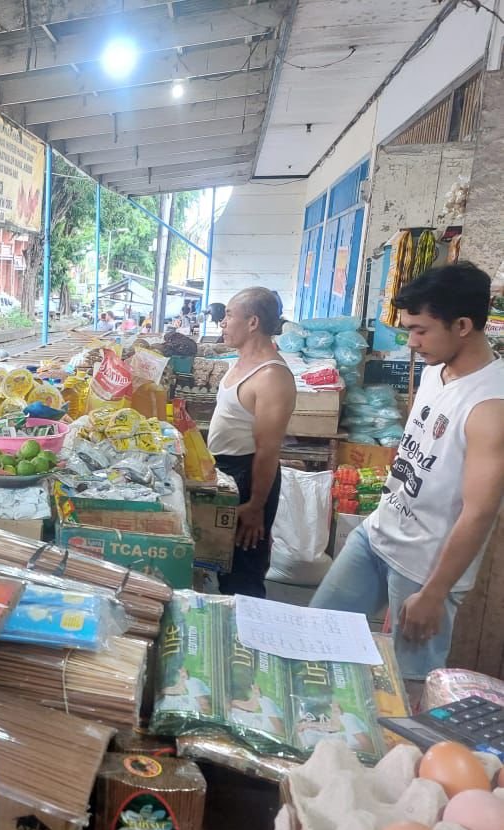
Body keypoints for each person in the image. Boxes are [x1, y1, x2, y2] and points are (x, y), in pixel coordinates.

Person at [311, 263, 504, 690]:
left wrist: (434, 594)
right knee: (316, 634)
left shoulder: (491, 405)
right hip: (378, 535)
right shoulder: (435, 372)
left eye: (420, 331)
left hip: (425, 568)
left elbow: (479, 513)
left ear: (464, 326)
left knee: (407, 685)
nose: (412, 344)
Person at [206, 287, 296, 598]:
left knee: (244, 572)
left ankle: (247, 639)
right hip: (226, 470)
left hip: (249, 476)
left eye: (230, 315)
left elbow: (268, 450)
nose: (223, 322)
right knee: (222, 562)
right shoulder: (240, 361)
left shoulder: (271, 376)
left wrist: (256, 506)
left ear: (253, 322)